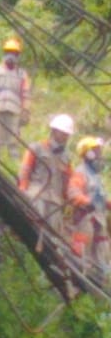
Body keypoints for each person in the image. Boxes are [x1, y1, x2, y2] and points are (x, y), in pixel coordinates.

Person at [18, 113, 74, 230]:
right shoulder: (36, 148)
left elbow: (68, 181)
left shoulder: (66, 157)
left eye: (67, 134)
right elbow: (25, 170)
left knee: (51, 235)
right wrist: (23, 190)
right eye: (63, 133)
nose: (65, 136)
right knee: (32, 229)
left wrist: (67, 200)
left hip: (55, 202)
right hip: (37, 196)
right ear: (54, 131)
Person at [68, 137, 110, 282]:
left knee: (101, 251)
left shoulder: (95, 175)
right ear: (87, 153)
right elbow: (73, 193)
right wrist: (88, 202)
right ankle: (77, 280)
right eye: (96, 150)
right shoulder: (81, 172)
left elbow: (102, 198)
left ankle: (100, 281)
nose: (99, 154)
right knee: (81, 252)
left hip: (99, 220)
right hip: (85, 219)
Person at [0, 37, 31, 158]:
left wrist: (25, 111)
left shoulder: (22, 74)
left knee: (13, 143)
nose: (11, 56)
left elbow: (25, 95)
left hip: (14, 112)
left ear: (18, 55)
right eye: (8, 52)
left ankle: (14, 165)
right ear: (4, 53)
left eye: (14, 53)